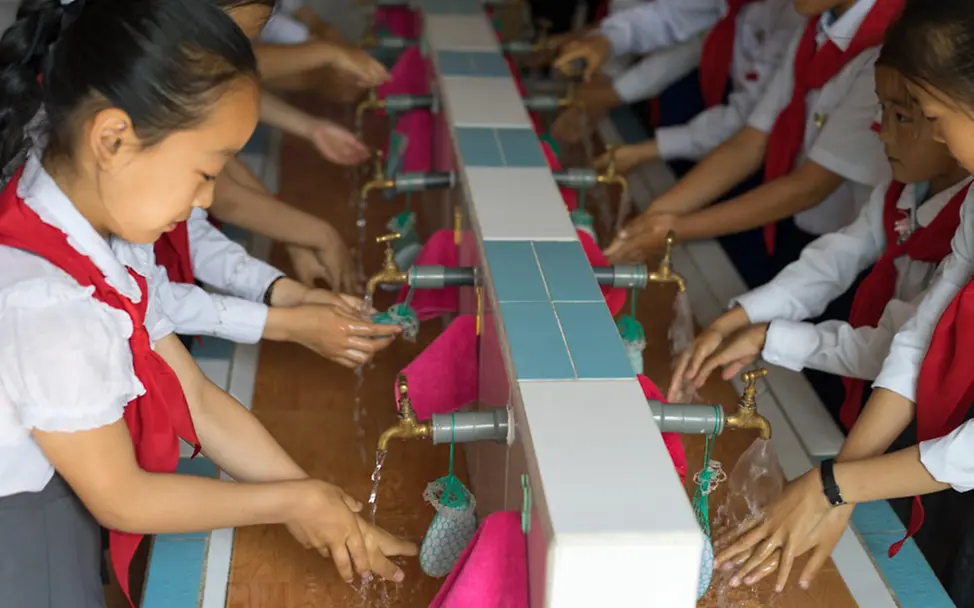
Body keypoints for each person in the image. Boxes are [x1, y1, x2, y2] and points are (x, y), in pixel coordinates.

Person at [0, 2, 416, 605]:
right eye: (204, 171)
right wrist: (289, 501)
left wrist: (315, 499)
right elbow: (122, 497)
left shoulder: (87, 229)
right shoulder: (47, 304)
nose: (206, 202)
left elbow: (193, 396)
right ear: (113, 139)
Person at [713, 2, 974, 600]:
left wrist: (837, 486)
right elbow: (921, 341)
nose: (931, 133)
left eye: (932, 115)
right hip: (943, 456)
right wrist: (840, 484)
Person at [667, 59, 971, 429]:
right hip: (881, 393)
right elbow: (832, 260)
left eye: (903, 117)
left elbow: (896, 348)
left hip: (926, 418)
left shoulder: (962, 226)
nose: (883, 133)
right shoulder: (901, 193)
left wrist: (769, 337)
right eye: (882, 111)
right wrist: (736, 320)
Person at [605, 0, 901, 294]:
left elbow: (810, 186)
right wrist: (656, 216)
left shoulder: (884, 48)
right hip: (791, 219)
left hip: (846, 255)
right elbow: (750, 142)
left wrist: (676, 229)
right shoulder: (818, 24)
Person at [551, 0, 803, 159]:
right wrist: (606, 41)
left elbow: (745, 121)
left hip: (759, 142)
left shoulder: (795, 15)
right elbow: (672, 15)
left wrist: (614, 93)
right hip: (720, 115)